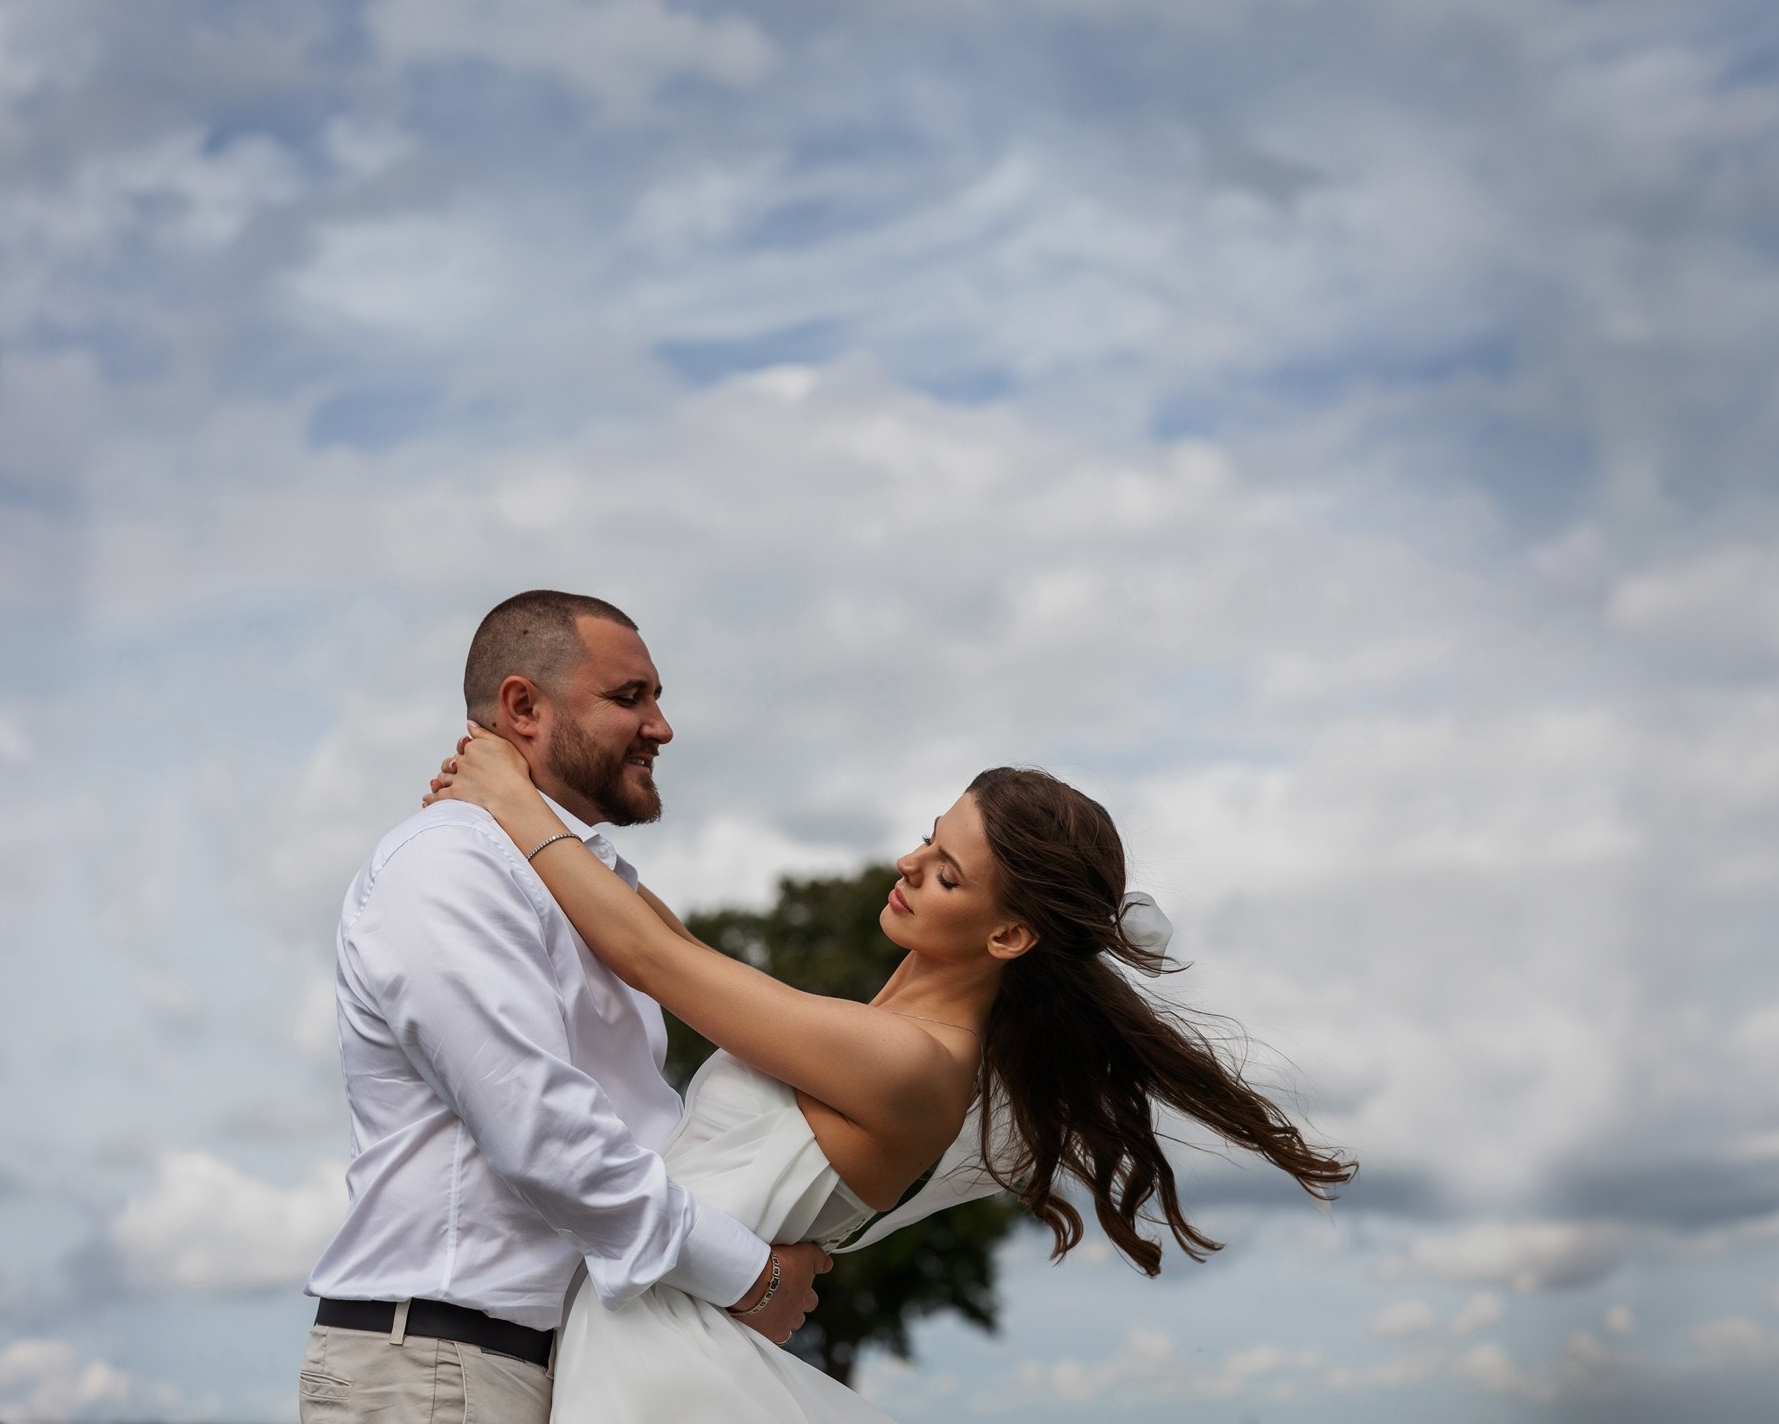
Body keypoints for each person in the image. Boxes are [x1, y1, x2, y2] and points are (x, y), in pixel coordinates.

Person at [427, 721, 1356, 1421]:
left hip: (664, 1367)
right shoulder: (880, 1027)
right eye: (927, 837)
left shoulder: (912, 1061)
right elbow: (673, 939)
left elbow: (655, 962)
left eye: (948, 873)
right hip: (646, 1338)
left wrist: (509, 798)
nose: (908, 865)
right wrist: (552, 813)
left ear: (1008, 935)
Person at [298, 591, 830, 1424]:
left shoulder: (580, 883)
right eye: (630, 697)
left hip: (554, 1366)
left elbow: (710, 990)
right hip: (446, 1370)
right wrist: (747, 1274)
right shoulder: (448, 866)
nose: (662, 726)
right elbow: (543, 1131)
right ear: (523, 707)